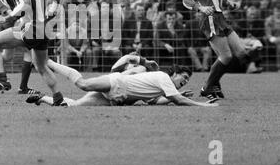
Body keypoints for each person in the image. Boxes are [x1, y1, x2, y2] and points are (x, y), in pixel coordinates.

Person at [183, 0, 250, 99]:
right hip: (209, 19)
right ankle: (207, 88)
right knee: (226, 57)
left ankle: (214, 84)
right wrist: (201, 8)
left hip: (221, 17)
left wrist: (229, 3)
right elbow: (186, 0)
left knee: (241, 52)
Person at [26, 54, 218, 107]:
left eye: (186, 81)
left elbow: (155, 101)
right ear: (174, 73)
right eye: (183, 78)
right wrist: (141, 61)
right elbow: (126, 58)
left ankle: (43, 98)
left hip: (117, 97)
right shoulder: (154, 73)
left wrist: (173, 96)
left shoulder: (162, 85)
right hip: (115, 82)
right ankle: (48, 61)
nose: (184, 82)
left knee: (74, 106)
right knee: (82, 84)